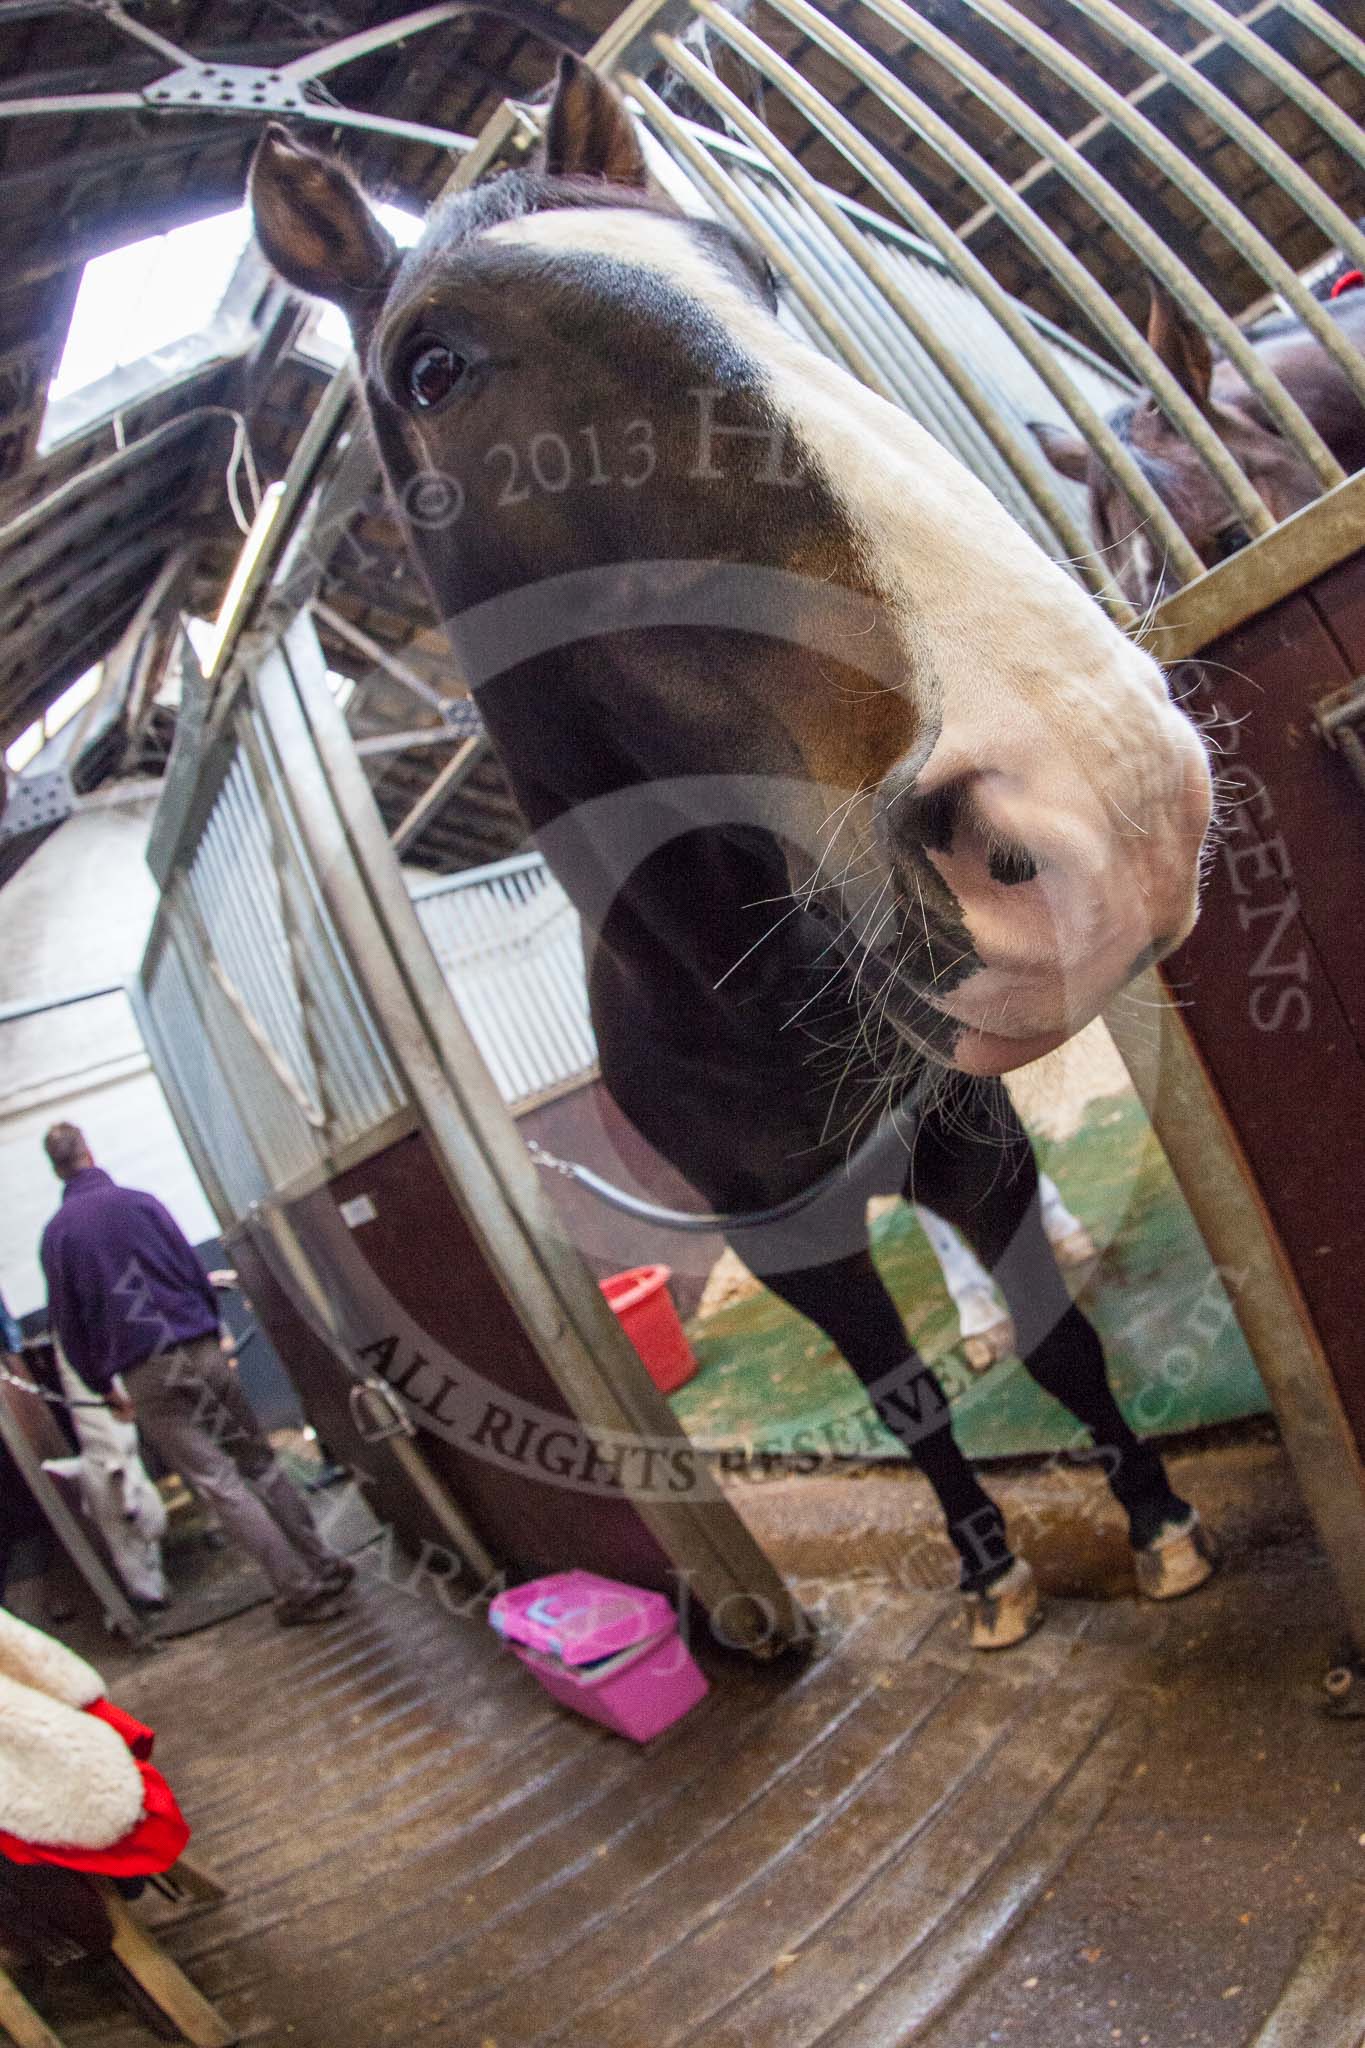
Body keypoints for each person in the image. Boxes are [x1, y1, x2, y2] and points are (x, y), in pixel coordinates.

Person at [37, 1125, 353, 1626]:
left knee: (219, 1481)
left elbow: (70, 1327)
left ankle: (302, 1591)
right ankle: (326, 1565)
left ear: (55, 1169)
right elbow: (189, 1267)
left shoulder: (58, 1236)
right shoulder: (142, 1203)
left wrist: (103, 1388)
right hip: (201, 1348)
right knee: (260, 1463)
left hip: (148, 1372)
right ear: (89, 1152)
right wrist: (214, 1332)